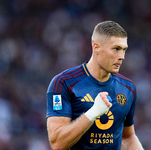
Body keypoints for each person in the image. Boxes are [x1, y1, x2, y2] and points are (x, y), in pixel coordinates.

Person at [46, 20, 144, 150]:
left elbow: (127, 137)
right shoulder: (64, 83)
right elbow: (57, 143)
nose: (122, 56)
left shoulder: (128, 88)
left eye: (124, 50)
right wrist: (92, 113)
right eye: (116, 49)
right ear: (96, 47)